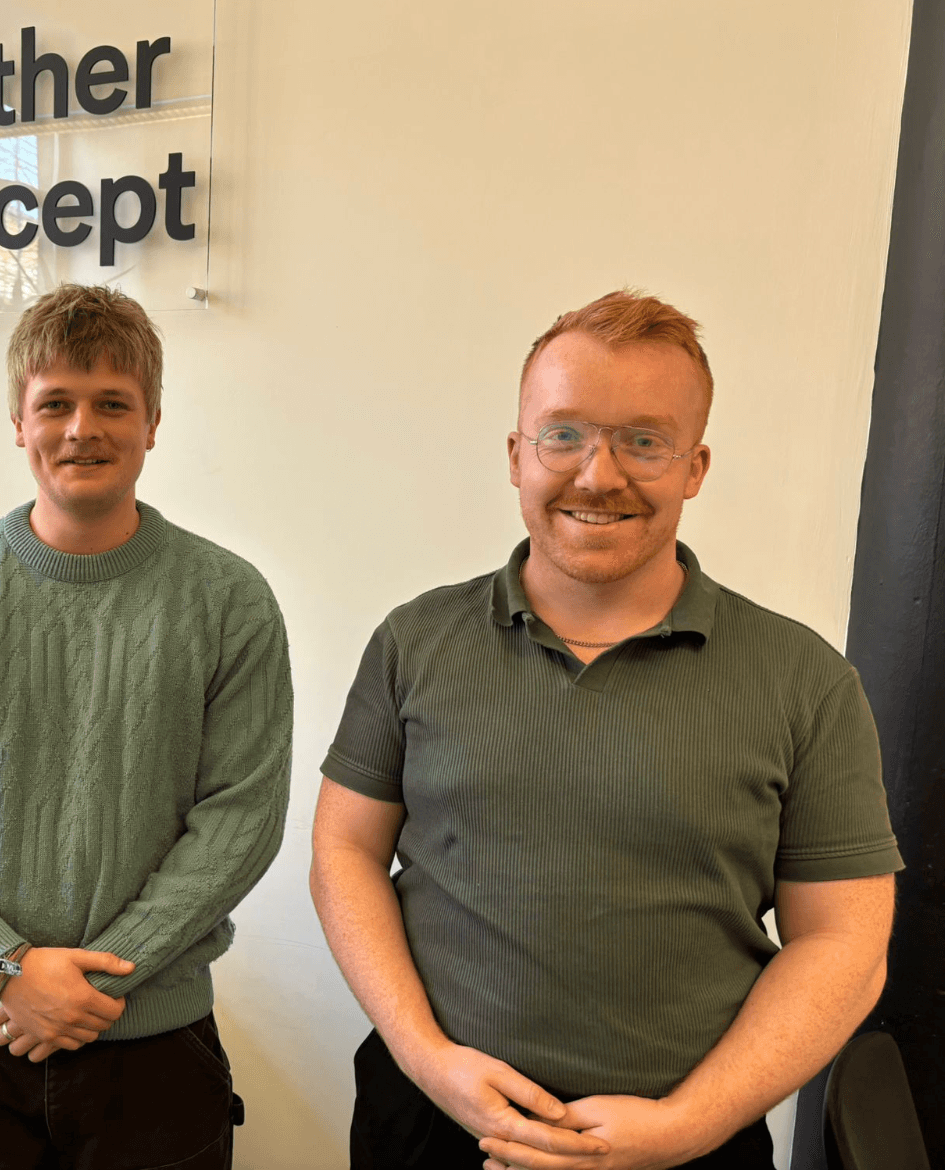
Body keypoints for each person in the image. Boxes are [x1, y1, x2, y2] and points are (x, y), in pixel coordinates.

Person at [310, 290, 902, 1170]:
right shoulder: (415, 642)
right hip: (431, 1122)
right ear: (516, 455)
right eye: (564, 434)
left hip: (687, 1143)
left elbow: (844, 944)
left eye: (644, 440)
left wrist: (689, 1126)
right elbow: (344, 854)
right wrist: (429, 1061)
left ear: (695, 466)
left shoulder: (803, 681)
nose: (598, 474)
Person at [0, 283, 293, 1169]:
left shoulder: (229, 602)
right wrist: (6, 965)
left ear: (153, 422)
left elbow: (240, 821)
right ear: (19, 421)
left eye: (112, 404)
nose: (82, 428)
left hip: (154, 1052)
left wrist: (93, 977)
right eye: (55, 402)